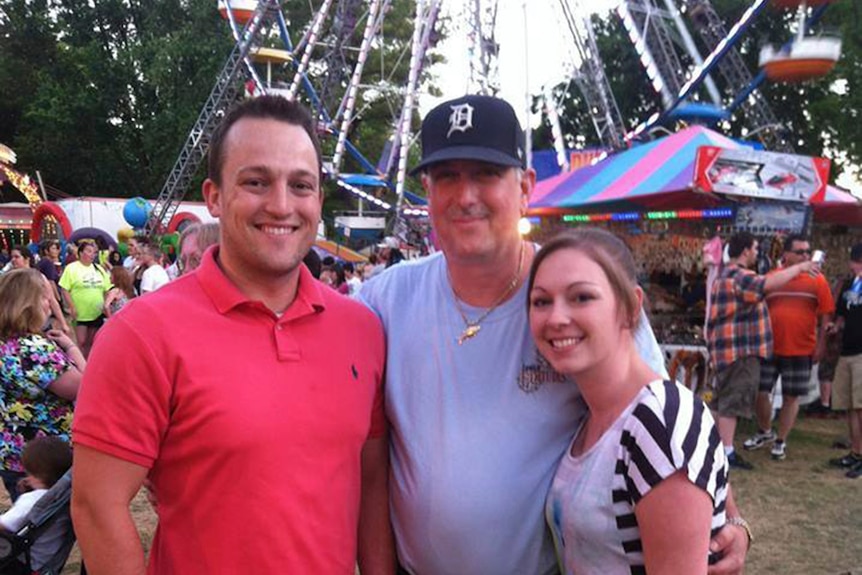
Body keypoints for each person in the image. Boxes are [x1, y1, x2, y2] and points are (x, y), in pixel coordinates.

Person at [359, 94, 748, 575]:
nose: (465, 196)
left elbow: (655, 408)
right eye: (447, 177)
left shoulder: (575, 293)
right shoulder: (383, 300)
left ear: (525, 187)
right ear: (426, 189)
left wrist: (731, 518)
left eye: (485, 174)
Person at [71, 95, 393, 574]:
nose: (281, 204)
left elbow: (370, 483)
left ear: (319, 200)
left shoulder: (362, 330)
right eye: (256, 182)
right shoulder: (143, 334)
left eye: (300, 185)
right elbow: (98, 505)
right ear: (215, 197)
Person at [528, 228, 727, 574]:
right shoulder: (593, 417)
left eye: (581, 297)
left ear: (631, 307)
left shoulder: (660, 419)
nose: (557, 318)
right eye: (542, 301)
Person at [706, 232, 816, 470]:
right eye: (755, 248)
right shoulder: (741, 275)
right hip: (740, 352)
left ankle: (713, 448)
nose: (757, 253)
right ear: (745, 251)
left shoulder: (724, 275)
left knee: (719, 403)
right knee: (731, 404)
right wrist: (800, 268)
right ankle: (726, 455)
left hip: (726, 351)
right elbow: (766, 285)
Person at [742, 235, 834, 460]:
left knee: (792, 397)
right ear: (786, 254)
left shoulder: (818, 280)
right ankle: (765, 431)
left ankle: (781, 440)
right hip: (769, 347)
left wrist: (821, 345)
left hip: (801, 348)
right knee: (760, 392)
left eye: (807, 252)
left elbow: (826, 317)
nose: (805, 256)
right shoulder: (772, 278)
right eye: (800, 252)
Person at [0, 268, 83, 502]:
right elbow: (84, 386)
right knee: (48, 532)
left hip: (12, 454)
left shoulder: (5, 343)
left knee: (28, 521)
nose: (49, 304)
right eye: (45, 297)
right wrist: (71, 348)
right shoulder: (34, 348)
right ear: (28, 303)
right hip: (47, 461)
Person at [0, 436, 74, 573]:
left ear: (32, 473)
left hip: (19, 562)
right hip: (45, 562)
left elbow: (4, 524)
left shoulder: (31, 501)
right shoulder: (65, 498)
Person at [827, 242, 862, 478]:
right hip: (847, 350)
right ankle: (856, 451)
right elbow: (842, 314)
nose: (855, 266)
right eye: (855, 261)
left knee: (861, 407)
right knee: (849, 405)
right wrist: (834, 326)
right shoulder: (850, 285)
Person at [59, 240, 110, 357]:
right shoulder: (71, 268)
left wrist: (106, 305)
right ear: (81, 253)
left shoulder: (99, 269)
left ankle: (89, 364)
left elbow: (107, 289)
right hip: (80, 312)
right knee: (81, 341)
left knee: (92, 342)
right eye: (89, 251)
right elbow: (65, 289)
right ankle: (81, 365)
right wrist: (72, 306)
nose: (92, 254)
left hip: (97, 311)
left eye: (94, 252)